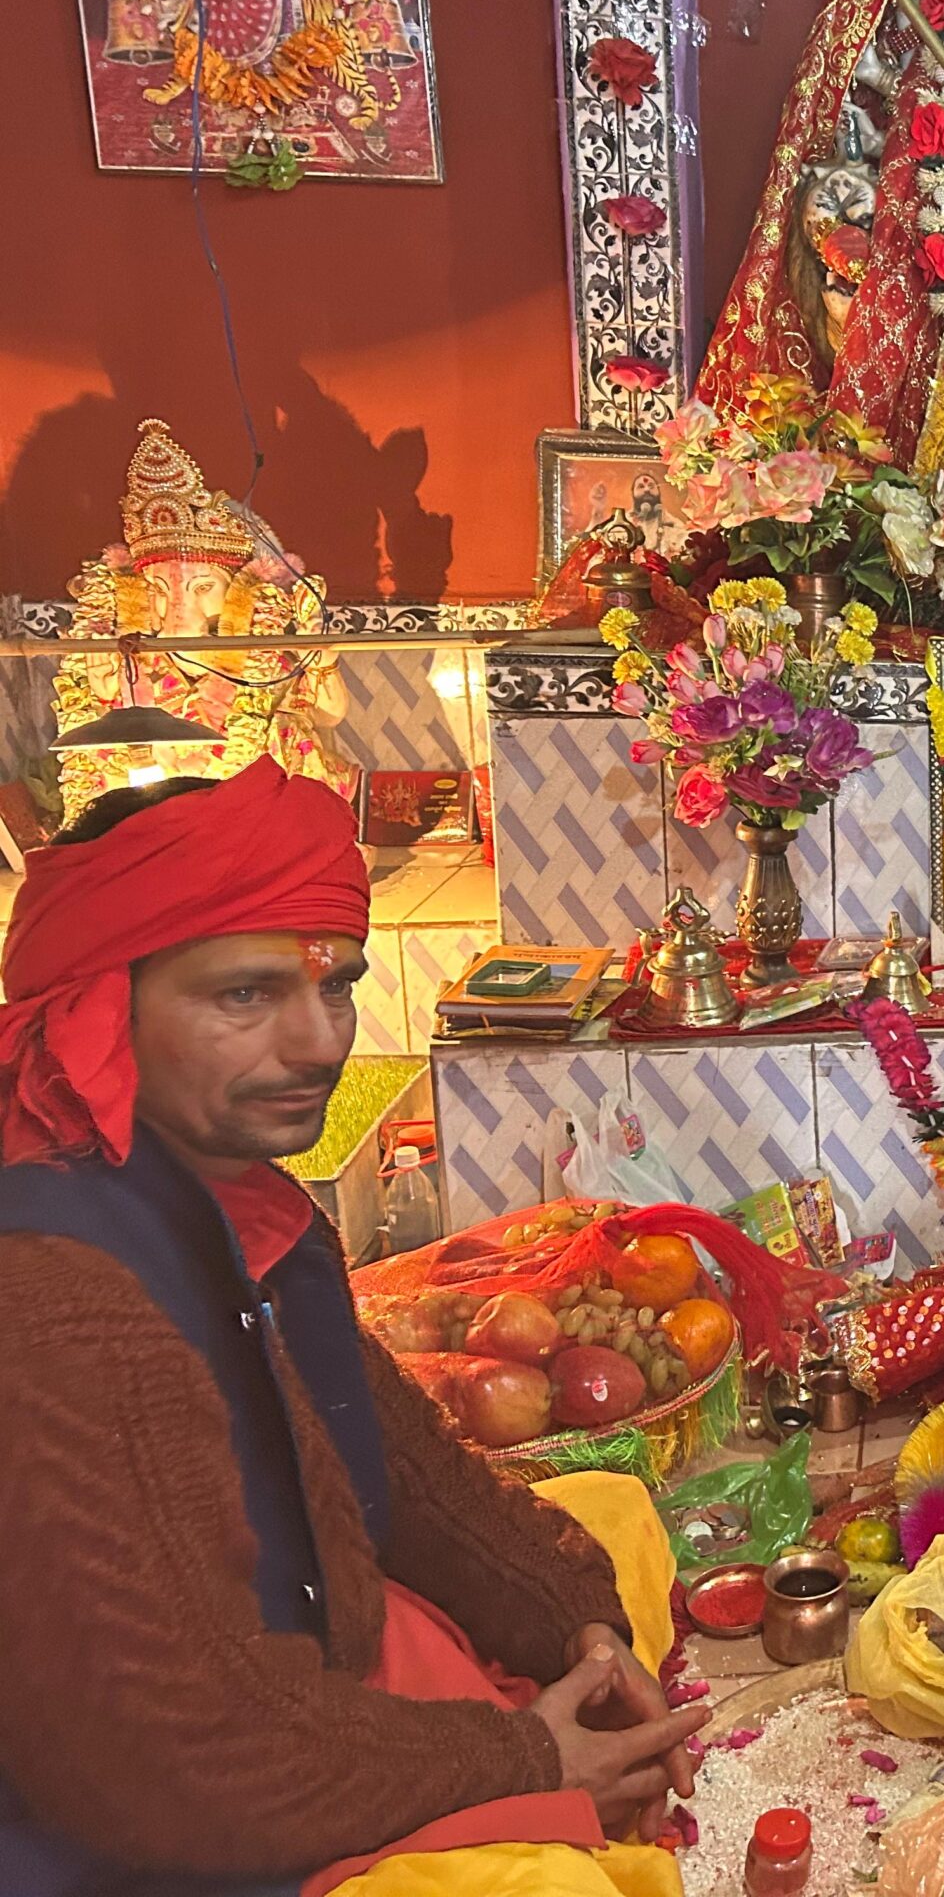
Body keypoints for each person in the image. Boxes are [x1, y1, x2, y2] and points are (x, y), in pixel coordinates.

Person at [0, 761, 710, 1896]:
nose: (320, 1041)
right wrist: (528, 1758)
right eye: (245, 996)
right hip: (168, 1813)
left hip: (290, 1661)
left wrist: (578, 1635)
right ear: (95, 1011)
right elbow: (177, 1759)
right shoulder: (54, 1296)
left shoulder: (242, 1200)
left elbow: (400, 1475)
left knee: (608, 1524)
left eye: (334, 986)